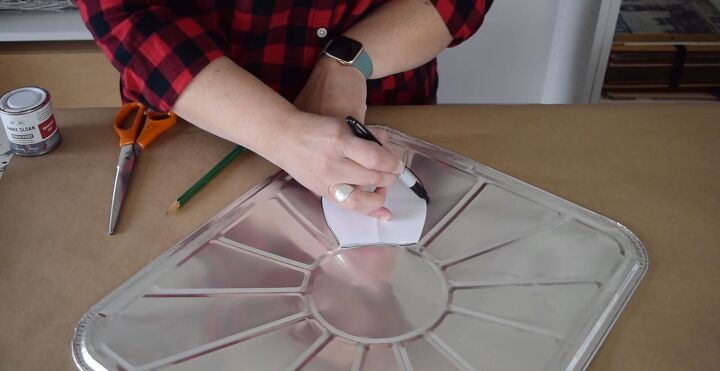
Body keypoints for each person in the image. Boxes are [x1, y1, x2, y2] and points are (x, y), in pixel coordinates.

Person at [78, 1, 492, 220]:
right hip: (200, 119)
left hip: (381, 107)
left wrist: (348, 61)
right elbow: (125, 11)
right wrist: (279, 132)